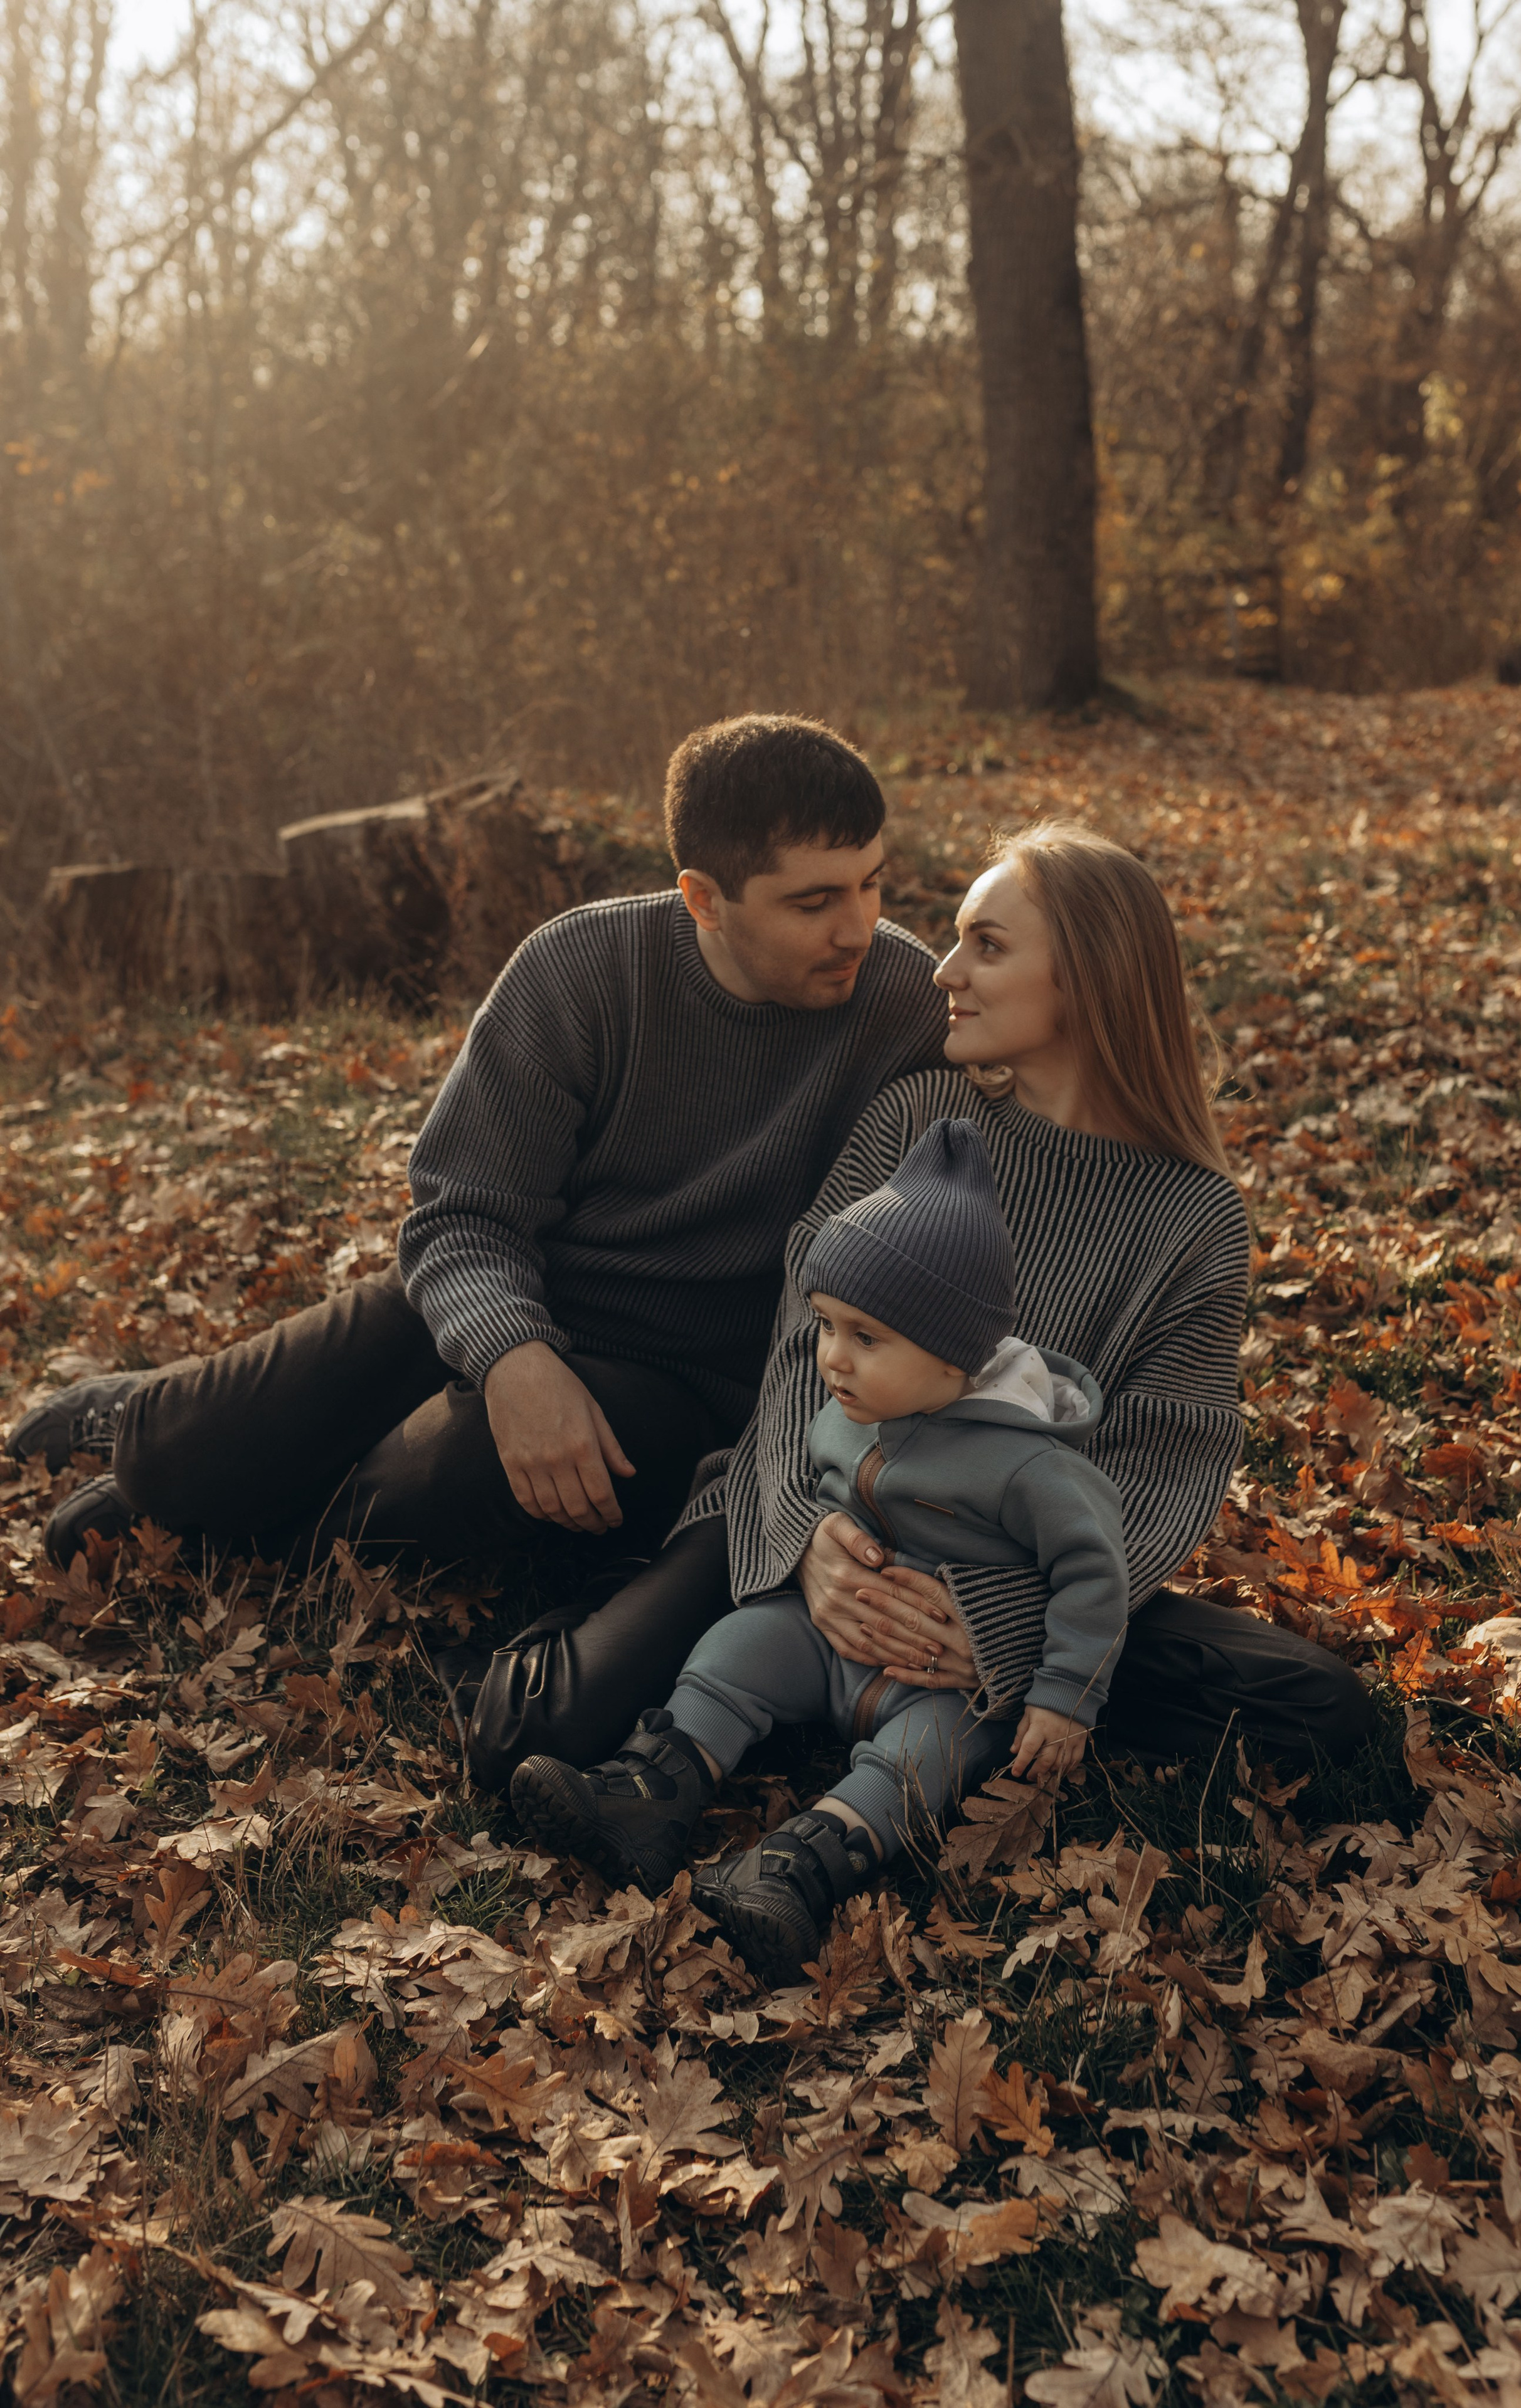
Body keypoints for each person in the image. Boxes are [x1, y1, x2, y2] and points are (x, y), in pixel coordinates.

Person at [9, 718, 950, 1748]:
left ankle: (253, 1522)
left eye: (871, 884)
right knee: (173, 1461)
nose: (859, 926)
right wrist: (512, 1357)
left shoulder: (905, 1003)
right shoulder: (583, 970)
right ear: (704, 900)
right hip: (505, 1300)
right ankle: (151, 1429)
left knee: (424, 1494)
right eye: (814, 901)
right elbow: (461, 1210)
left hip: (677, 1386)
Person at [647, 821, 1370, 1785]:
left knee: (1324, 1709)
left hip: (1019, 1569)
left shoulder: (1196, 1218)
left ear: (1091, 979)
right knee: (563, 1713)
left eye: (985, 945)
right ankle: (807, 1674)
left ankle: (957, 1697)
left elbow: (1162, 1458)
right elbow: (797, 1354)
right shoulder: (916, 1121)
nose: (944, 971)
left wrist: (1005, 1626)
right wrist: (806, 1546)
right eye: (956, 939)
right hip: (832, 1512)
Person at [507, 1117, 1131, 1987]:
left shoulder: (1030, 1461)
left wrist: (1065, 1697)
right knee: (741, 1643)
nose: (832, 1358)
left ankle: (801, 1866)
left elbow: (1096, 1572)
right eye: (827, 1324)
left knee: (926, 1762)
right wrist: (809, 1548)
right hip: (830, 1642)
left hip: (945, 1684)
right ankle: (653, 1786)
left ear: (956, 1353)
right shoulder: (849, 1411)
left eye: (865, 1338)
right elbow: (797, 1484)